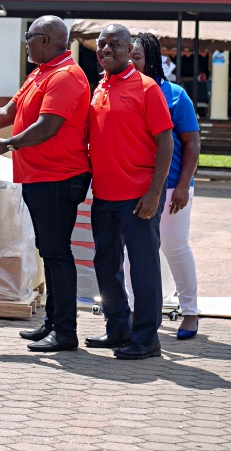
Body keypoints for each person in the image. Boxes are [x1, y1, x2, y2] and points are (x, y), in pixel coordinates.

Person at [0, 15, 91, 352]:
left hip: (58, 177)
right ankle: (52, 323)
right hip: (41, 176)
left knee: (57, 253)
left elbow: (47, 127)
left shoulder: (65, 77)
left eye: (28, 36)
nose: (25, 42)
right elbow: (7, 112)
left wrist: (9, 145)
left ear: (45, 40)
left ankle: (66, 332)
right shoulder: (41, 73)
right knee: (49, 251)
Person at [84, 24, 173, 360]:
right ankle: (117, 327)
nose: (107, 49)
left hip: (138, 197)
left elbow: (166, 142)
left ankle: (147, 337)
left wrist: (154, 194)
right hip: (104, 195)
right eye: (102, 44)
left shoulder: (147, 88)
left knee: (143, 267)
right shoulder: (100, 87)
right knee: (106, 264)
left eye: (115, 44)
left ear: (128, 49)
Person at [129, 33, 201, 340]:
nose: (131, 62)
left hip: (171, 188)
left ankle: (190, 312)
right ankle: (135, 310)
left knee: (173, 247)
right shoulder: (121, 91)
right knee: (130, 252)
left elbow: (192, 142)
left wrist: (183, 185)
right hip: (132, 187)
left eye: (137, 57)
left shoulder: (174, 94)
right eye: (128, 56)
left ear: (152, 60)